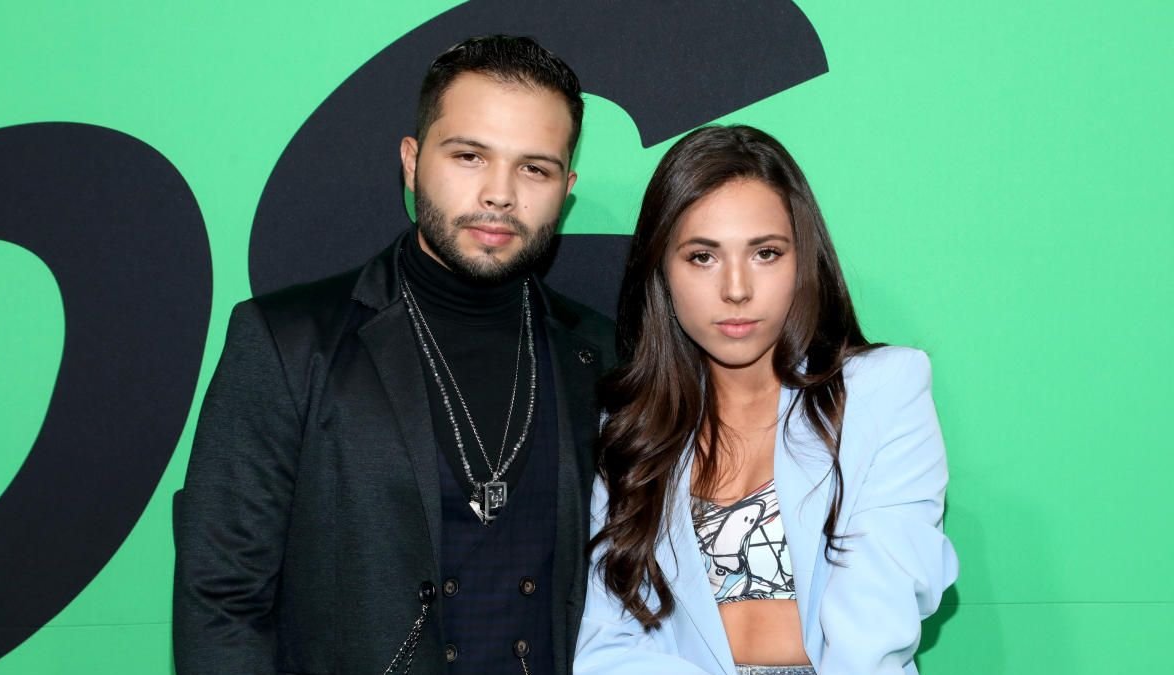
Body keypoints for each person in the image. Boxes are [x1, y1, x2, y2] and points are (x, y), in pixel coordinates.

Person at [173, 35, 614, 675]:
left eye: (534, 169)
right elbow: (221, 600)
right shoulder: (289, 342)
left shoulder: (602, 354)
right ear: (412, 162)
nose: (499, 193)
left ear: (565, 188)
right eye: (469, 156)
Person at [574, 125, 957, 675]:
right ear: (662, 271)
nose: (736, 289)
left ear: (803, 262)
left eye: (765, 253)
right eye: (702, 257)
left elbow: (876, 623)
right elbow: (605, 646)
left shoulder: (882, 391)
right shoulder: (631, 425)